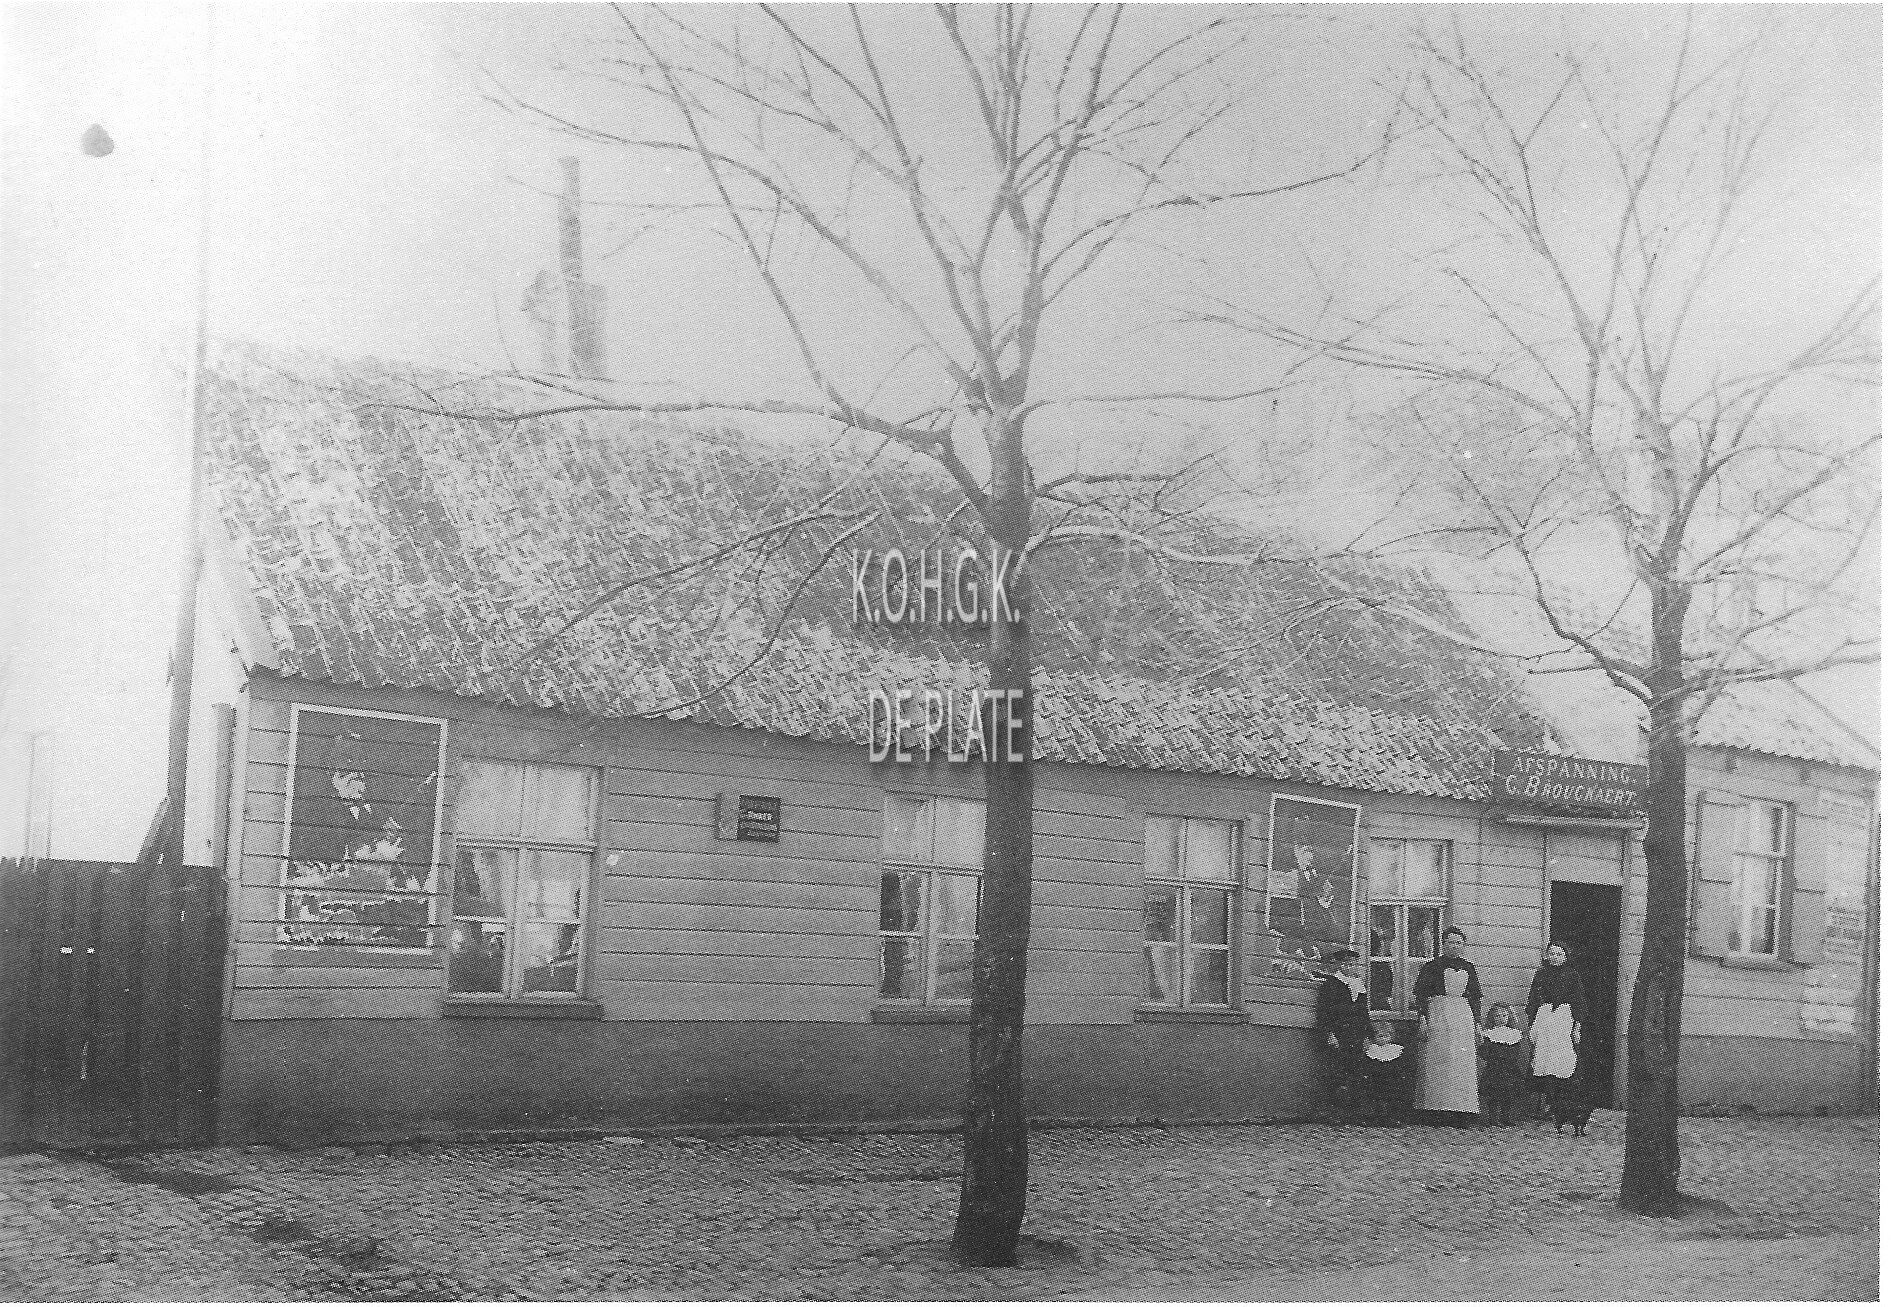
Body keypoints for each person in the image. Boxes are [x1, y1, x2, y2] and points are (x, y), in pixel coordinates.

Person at [1412, 925, 1482, 1124]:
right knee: (1438, 1059)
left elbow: (1475, 998)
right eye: (1451, 942)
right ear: (1443, 944)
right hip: (1438, 1013)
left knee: (1461, 1061)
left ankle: (1461, 1111)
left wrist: (1477, 1023)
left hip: (1462, 1015)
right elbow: (1421, 995)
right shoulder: (1432, 966)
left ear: (1463, 945)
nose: (1455, 946)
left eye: (1459, 943)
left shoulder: (1469, 967)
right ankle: (1436, 1110)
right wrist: (1423, 1019)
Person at [1527, 941, 1587, 1117]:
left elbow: (1579, 1001)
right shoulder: (1541, 974)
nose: (1554, 957)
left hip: (1564, 1018)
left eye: (1559, 954)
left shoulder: (1572, 975)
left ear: (1566, 957)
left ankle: (1561, 1105)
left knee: (1562, 1059)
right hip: (1544, 1018)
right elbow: (1533, 999)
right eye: (1551, 954)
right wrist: (1532, 1023)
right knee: (1543, 1058)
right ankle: (1545, 1103)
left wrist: (1577, 1027)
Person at [1314, 948, 1371, 1123]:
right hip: (1339, 1035)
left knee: (1356, 1072)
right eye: (1346, 964)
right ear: (1339, 965)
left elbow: (1364, 1013)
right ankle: (1334, 1112)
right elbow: (1323, 1012)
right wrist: (1329, 1034)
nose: (1350, 967)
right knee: (1337, 1072)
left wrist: (1367, 1035)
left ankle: (1353, 1113)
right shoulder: (1331, 985)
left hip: (1356, 1035)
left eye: (1354, 964)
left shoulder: (1359, 985)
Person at [1478, 1002, 1530, 1126]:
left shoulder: (1514, 1034)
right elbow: (1484, 1053)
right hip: (1494, 1068)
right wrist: (1482, 1042)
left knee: (1508, 1095)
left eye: (1504, 1016)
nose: (1501, 1019)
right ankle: (1493, 1118)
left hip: (1510, 1068)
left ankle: (1505, 1117)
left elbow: (1516, 1053)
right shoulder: (1489, 1034)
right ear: (1492, 1018)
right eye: (1497, 1016)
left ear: (1509, 1017)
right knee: (1494, 1095)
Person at [1360, 1020, 1411, 1126]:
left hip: (1391, 1078)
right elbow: (1367, 1065)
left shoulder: (1395, 1050)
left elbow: (1399, 1065)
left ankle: (1391, 1118)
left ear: (1391, 1037)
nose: (1383, 1039)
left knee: (1392, 1096)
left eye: (1386, 1036)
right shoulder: (1372, 1050)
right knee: (1373, 1096)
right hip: (1375, 1078)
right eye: (1380, 1036)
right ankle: (1372, 1117)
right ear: (1375, 1037)